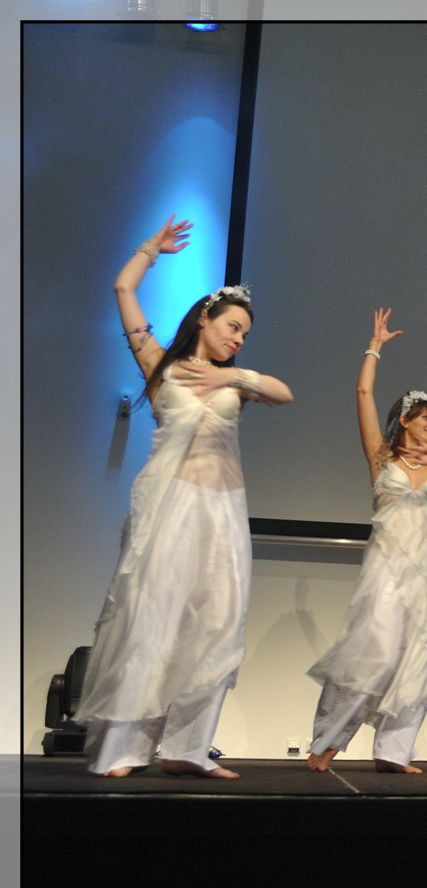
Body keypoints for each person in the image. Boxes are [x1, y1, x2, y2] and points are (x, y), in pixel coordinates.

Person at [76, 215, 294, 778]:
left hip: (224, 512)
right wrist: (150, 249)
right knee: (155, 618)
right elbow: (124, 290)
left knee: (218, 625)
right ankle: (124, 749)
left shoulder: (235, 382)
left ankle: (186, 749)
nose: (238, 339)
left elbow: (284, 394)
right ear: (205, 317)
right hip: (173, 507)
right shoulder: (162, 367)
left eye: (245, 335)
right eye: (233, 327)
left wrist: (234, 377)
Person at [305, 309, 427, 773]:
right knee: (372, 653)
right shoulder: (381, 458)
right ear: (405, 420)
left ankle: (393, 752)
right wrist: (375, 347)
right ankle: (327, 742)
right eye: (425, 417)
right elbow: (363, 394)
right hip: (385, 571)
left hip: (424, 576)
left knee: (418, 656)